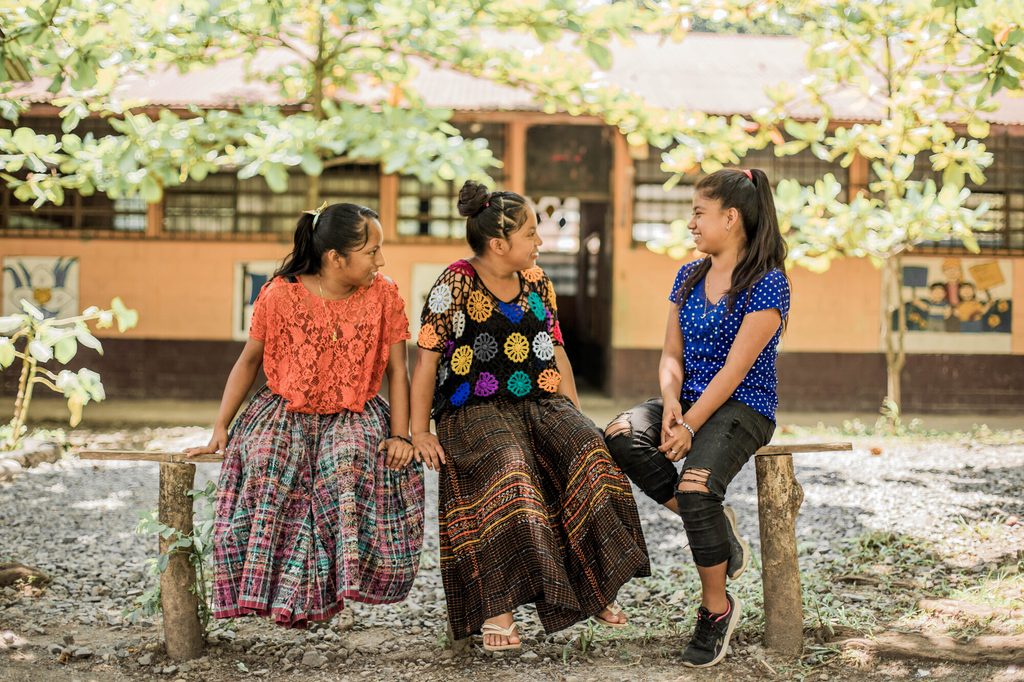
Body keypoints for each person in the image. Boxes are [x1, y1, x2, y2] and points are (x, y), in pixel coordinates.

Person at [410, 180, 650, 651]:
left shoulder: (539, 281)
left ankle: (593, 589)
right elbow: (426, 360)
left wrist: (574, 417)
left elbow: (557, 349)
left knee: (589, 451)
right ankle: (496, 608)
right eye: (532, 233)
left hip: (541, 402)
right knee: (511, 468)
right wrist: (419, 430)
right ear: (499, 244)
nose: (541, 241)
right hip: (472, 408)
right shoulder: (454, 281)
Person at [186, 202, 425, 627]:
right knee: (267, 462)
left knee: (349, 464)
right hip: (284, 411)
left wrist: (401, 435)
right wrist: (221, 426)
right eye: (372, 251)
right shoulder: (279, 294)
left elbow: (397, 370)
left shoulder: (384, 293)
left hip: (355, 412)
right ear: (336, 257)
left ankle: (333, 588)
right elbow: (248, 362)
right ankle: (268, 592)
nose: (381, 261)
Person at [604, 168, 790, 668]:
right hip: (684, 402)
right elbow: (671, 353)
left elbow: (734, 372)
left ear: (730, 218)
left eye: (699, 213)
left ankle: (716, 608)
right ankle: (718, 534)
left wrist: (689, 426)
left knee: (696, 487)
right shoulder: (688, 275)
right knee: (620, 434)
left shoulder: (767, 284)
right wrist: (670, 405)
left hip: (742, 407)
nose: (691, 223)